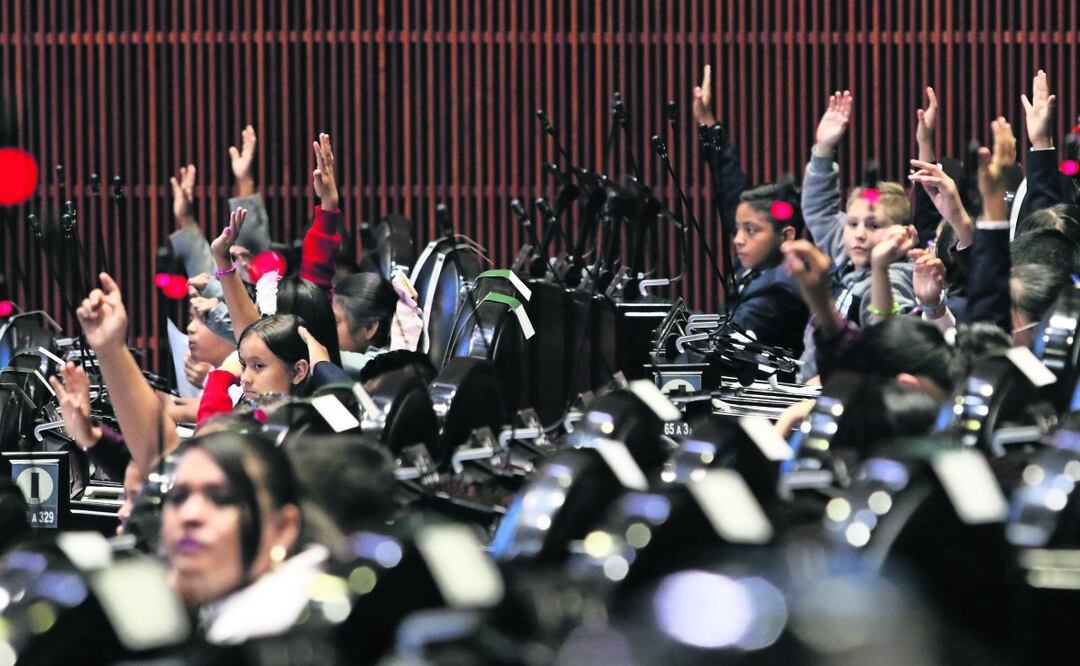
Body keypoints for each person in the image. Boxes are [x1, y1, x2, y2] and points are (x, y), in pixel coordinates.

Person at [161, 431, 330, 644]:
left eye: (222, 499)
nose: (190, 515)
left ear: (283, 528)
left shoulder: (258, 631)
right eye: (179, 497)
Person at [798, 89, 917, 379]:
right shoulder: (848, 254)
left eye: (874, 226)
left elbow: (887, 347)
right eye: (852, 224)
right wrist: (823, 150)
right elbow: (820, 208)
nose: (859, 234)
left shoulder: (895, 279)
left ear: (902, 233)